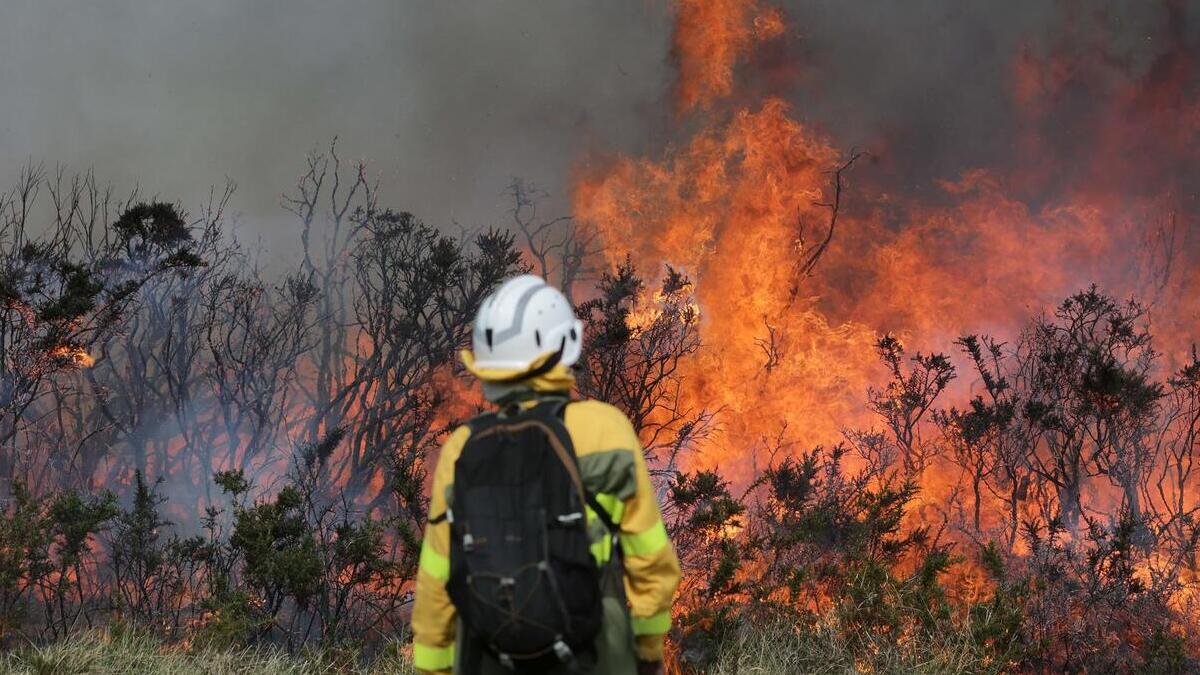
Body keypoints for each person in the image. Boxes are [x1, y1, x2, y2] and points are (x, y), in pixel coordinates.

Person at [412, 275, 681, 675]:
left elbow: (437, 582)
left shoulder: (461, 449)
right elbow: (651, 562)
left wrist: (432, 668)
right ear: (565, 347)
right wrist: (646, 651)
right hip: (593, 655)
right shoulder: (605, 431)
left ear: (486, 367)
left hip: (490, 657)